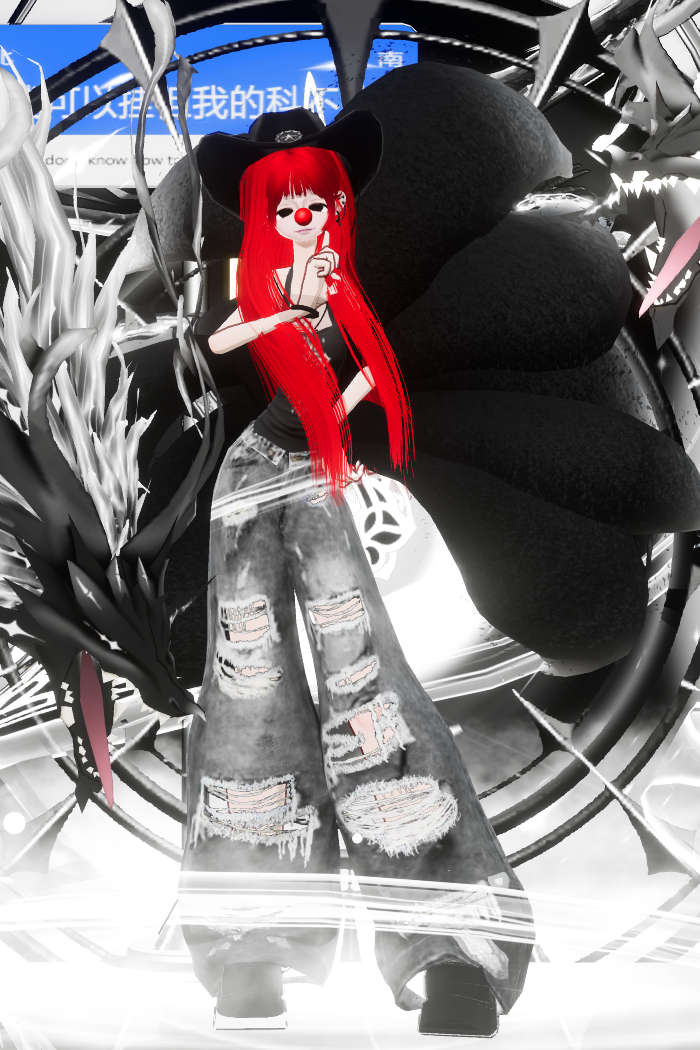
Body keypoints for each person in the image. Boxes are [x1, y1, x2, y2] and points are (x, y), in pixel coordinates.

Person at [180, 107, 533, 1037]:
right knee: (249, 689)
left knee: (363, 676)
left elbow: (374, 366)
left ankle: (450, 943)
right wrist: (275, 314)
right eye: (284, 205)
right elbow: (220, 351)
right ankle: (254, 940)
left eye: (313, 202)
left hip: (321, 469)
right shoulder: (256, 285)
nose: (301, 217)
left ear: (335, 205)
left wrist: (339, 410)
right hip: (252, 476)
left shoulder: (342, 285)